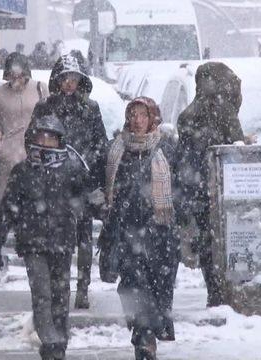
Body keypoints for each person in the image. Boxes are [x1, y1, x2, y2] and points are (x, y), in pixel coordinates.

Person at [0, 113, 90, 360]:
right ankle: (50, 339)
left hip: (62, 243)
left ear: (60, 141)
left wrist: (84, 235)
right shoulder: (22, 172)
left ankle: (58, 343)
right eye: (41, 136)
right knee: (42, 293)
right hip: (33, 243)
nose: (45, 142)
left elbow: (83, 208)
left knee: (60, 294)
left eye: (51, 138)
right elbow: (8, 208)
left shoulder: (72, 171)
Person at [103, 97, 181, 360]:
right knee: (133, 286)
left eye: (142, 115)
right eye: (133, 114)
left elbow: (182, 187)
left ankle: (149, 333)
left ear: (152, 119)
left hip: (160, 234)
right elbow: (104, 187)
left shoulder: (166, 149)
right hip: (126, 232)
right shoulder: (117, 149)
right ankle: (143, 337)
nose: (137, 120)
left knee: (158, 288)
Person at [31, 51, 108, 309]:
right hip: (52, 182)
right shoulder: (45, 108)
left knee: (84, 237)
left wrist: (86, 160)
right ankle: (59, 284)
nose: (69, 83)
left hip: (82, 181)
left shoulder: (90, 108)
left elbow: (101, 142)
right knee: (56, 238)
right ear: (57, 79)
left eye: (74, 78)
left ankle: (83, 286)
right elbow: (32, 140)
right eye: (65, 78)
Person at [176, 62, 254, 307]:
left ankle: (214, 290)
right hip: (222, 188)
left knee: (207, 242)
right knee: (229, 238)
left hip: (196, 187)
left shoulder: (189, 113)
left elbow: (185, 152)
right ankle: (226, 289)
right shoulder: (224, 111)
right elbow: (235, 146)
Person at [0, 52, 49, 206]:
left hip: (36, 151)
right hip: (9, 155)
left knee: (35, 193)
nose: (17, 80)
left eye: (20, 76)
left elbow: (50, 117)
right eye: (13, 76)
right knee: (7, 195)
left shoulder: (40, 88)